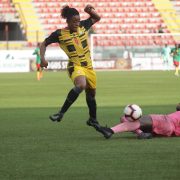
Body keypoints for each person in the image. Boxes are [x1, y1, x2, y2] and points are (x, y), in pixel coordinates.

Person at [40, 5, 101, 129]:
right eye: (74, 21)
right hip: (75, 66)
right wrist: (42, 59)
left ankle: (92, 119)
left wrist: (90, 11)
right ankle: (61, 113)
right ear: (67, 21)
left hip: (89, 67)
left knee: (91, 95)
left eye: (78, 21)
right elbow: (43, 44)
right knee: (81, 85)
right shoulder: (59, 34)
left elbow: (97, 18)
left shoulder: (83, 26)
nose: (77, 23)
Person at [96, 104, 180, 139]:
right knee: (124, 119)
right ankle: (141, 133)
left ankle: (110, 131)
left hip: (166, 121)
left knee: (139, 121)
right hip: (167, 128)